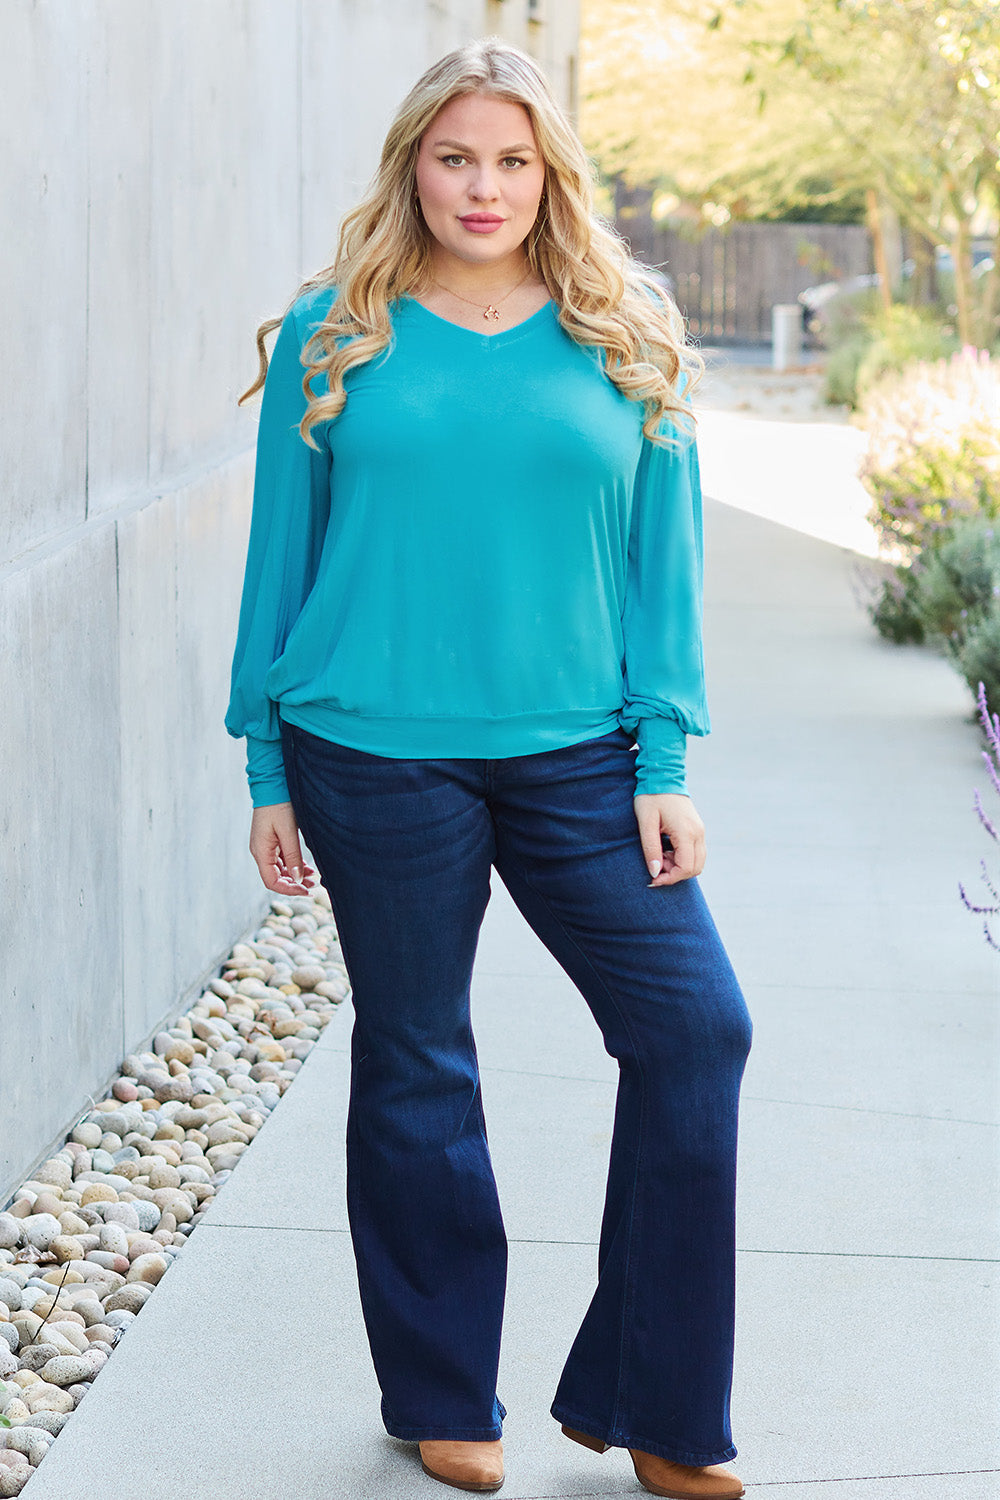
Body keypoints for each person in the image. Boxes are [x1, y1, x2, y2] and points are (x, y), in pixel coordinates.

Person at [225, 36, 753, 1500]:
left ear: (551, 175)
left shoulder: (623, 328)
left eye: (513, 160)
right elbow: (284, 560)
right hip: (370, 754)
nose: (484, 185)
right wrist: (265, 762)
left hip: (583, 758)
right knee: (415, 1059)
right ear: (414, 164)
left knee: (697, 1033)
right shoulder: (340, 329)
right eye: (456, 156)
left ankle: (654, 1402)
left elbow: (668, 569)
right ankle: (444, 1388)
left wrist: (663, 755)